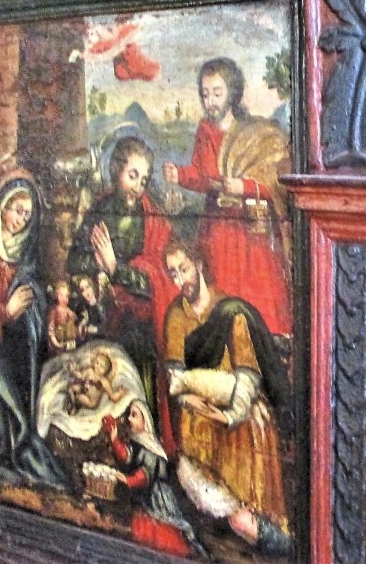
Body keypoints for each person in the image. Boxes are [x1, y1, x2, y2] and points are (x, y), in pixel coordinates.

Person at [162, 240, 291, 557]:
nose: (180, 280)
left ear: (198, 265)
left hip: (237, 398)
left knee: (256, 421)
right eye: (173, 274)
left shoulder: (230, 310)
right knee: (198, 424)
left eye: (184, 269)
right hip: (198, 402)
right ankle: (227, 513)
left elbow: (247, 371)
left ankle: (258, 514)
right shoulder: (176, 316)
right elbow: (176, 379)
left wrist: (233, 412)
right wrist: (193, 402)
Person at [162, 57, 292, 337]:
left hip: (248, 235)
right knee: (219, 294)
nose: (210, 101)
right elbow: (201, 175)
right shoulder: (205, 132)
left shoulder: (253, 134)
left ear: (231, 94)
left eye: (217, 93)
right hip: (216, 230)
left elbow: (274, 184)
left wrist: (243, 187)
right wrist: (179, 175)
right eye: (205, 94)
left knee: (254, 298)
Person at [67, 136, 176, 453]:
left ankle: (142, 443)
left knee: (138, 348)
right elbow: (74, 261)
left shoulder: (153, 220)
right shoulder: (99, 211)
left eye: (143, 180)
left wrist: (116, 268)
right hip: (104, 310)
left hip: (140, 318)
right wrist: (99, 266)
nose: (137, 187)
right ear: (116, 171)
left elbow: (158, 280)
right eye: (132, 176)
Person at [0, 173, 69, 487]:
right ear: (2, 207)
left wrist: (32, 314)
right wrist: (5, 311)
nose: (21, 220)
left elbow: (31, 307)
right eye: (17, 210)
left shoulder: (25, 261)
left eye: (27, 216)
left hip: (2, 343)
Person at [103, 401, 206, 559]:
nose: (129, 419)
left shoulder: (151, 448)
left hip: (158, 499)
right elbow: (126, 456)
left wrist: (128, 480)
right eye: (129, 414)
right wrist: (114, 437)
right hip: (145, 497)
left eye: (134, 415)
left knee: (163, 531)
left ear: (145, 421)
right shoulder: (138, 442)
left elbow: (145, 474)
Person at [47, 279, 79, 354]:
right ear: (56, 296)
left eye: (66, 296)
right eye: (61, 295)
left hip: (68, 343)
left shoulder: (69, 311)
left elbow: (75, 323)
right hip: (57, 343)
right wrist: (56, 343)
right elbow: (51, 330)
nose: (64, 298)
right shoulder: (54, 311)